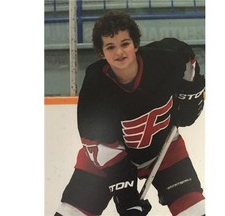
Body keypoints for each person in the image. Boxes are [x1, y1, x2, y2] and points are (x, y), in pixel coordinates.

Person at [55, 11, 205, 216]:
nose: (119, 52)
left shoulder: (165, 60)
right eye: (110, 47)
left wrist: (190, 97)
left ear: (135, 44)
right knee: (70, 213)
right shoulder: (95, 87)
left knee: (196, 211)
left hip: (164, 149)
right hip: (107, 160)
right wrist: (126, 198)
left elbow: (188, 61)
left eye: (124, 44)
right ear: (101, 53)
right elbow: (97, 145)